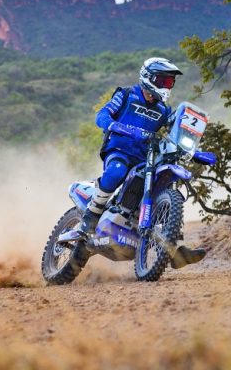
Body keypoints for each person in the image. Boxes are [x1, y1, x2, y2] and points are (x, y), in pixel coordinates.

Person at [79, 57, 206, 267]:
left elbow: (177, 133)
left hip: (145, 158)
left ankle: (173, 248)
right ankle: (90, 218)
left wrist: (194, 150)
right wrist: (116, 126)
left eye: (169, 82)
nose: (166, 85)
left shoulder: (164, 110)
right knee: (117, 172)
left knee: (164, 187)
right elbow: (102, 115)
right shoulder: (127, 95)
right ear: (148, 78)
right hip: (119, 149)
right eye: (162, 80)